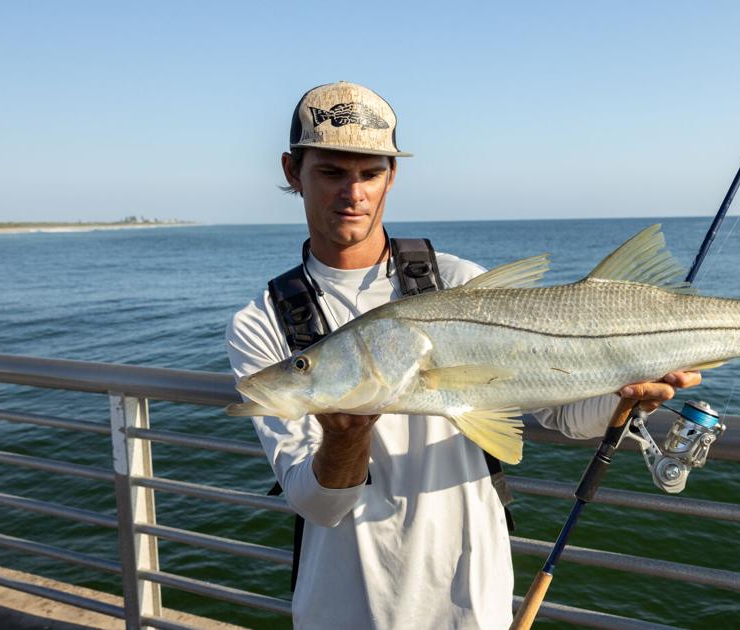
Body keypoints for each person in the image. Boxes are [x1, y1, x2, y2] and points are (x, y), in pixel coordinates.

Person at [225, 81, 702, 629]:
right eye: (331, 172)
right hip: (342, 607)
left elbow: (562, 414)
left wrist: (628, 396)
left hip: (471, 600)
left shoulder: (456, 282)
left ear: (391, 177)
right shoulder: (261, 322)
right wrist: (345, 434)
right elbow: (319, 506)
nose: (352, 194)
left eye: (370, 173)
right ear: (293, 171)